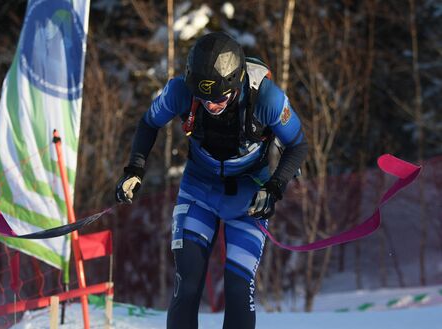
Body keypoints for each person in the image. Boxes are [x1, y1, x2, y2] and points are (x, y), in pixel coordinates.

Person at [115, 32, 308, 329]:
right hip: (198, 191)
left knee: (238, 288)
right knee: (188, 282)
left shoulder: (267, 98)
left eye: (218, 98)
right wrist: (134, 170)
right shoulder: (180, 90)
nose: (210, 105)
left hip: (247, 196)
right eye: (203, 98)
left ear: (236, 82)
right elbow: (148, 123)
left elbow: (297, 145)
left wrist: (274, 187)